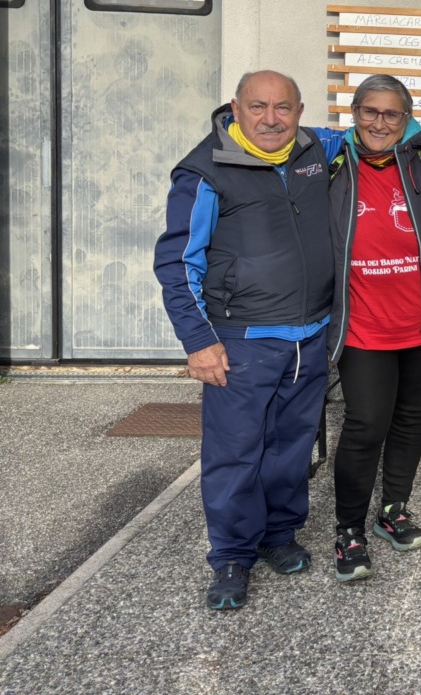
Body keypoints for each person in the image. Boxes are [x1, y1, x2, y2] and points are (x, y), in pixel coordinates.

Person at [154, 70, 347, 610]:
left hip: (309, 335)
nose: (271, 118)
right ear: (235, 108)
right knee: (235, 452)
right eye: (258, 106)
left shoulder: (314, 147)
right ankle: (232, 555)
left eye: (283, 107)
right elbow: (177, 262)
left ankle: (278, 534)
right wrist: (198, 341)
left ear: (300, 111)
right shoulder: (204, 171)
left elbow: (373, 129)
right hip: (241, 339)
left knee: (291, 447)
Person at [328, 74, 421, 582]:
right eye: (369, 111)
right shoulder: (331, 162)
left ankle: (393, 510)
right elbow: (279, 128)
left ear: (407, 119)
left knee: (410, 418)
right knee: (366, 424)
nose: (379, 123)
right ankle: (348, 529)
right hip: (362, 325)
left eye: (392, 114)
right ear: (354, 113)